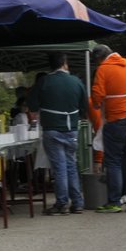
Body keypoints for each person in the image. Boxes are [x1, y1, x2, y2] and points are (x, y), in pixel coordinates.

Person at [89, 44, 126, 212]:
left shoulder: (104, 69)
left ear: (99, 59)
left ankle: (114, 201)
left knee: (114, 161)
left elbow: (97, 96)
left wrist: (97, 103)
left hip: (117, 119)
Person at [32, 53, 87, 214]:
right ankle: (77, 202)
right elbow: (84, 106)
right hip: (72, 130)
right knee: (71, 165)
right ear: (64, 64)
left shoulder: (44, 81)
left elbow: (32, 104)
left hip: (52, 129)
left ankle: (62, 202)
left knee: (59, 167)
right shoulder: (76, 81)